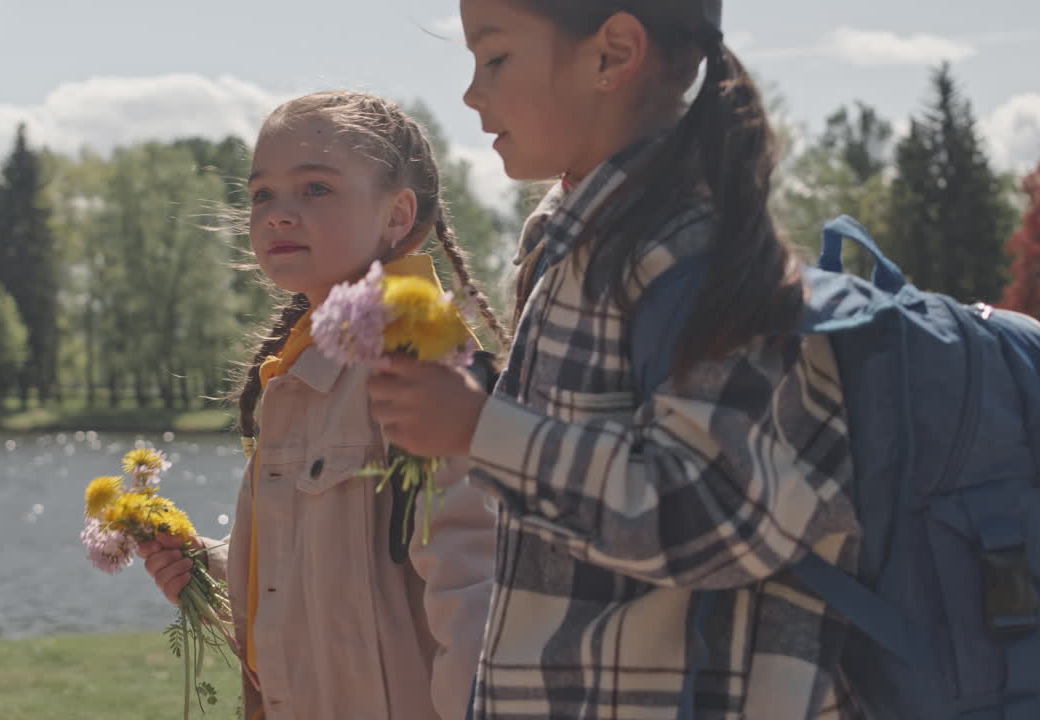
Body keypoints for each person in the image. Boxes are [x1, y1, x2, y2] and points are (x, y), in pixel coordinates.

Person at [366, 2, 863, 718]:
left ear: (612, 55)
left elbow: (717, 512)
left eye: (495, 57)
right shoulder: (567, 243)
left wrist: (484, 431)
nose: (472, 93)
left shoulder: (691, 253)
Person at [138, 90, 503, 720]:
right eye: (262, 195)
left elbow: (477, 587)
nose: (279, 214)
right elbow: (345, 571)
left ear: (397, 214)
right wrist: (222, 568)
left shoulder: (420, 363)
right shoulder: (300, 371)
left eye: (316, 190)